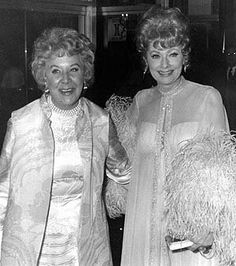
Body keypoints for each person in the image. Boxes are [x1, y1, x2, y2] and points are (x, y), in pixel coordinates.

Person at [107, 6, 230, 266]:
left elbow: (223, 175)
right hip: (144, 223)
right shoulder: (141, 101)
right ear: (145, 60)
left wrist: (209, 227)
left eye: (172, 54)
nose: (164, 64)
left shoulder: (207, 97)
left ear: (185, 56)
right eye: (156, 55)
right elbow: (126, 167)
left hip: (189, 228)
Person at [0, 27, 131, 265]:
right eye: (55, 71)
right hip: (32, 251)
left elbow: (126, 175)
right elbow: (3, 190)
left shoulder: (100, 121)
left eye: (74, 69)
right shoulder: (22, 122)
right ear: (44, 77)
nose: (66, 80)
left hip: (85, 249)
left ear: (85, 73)